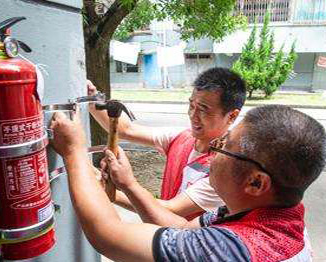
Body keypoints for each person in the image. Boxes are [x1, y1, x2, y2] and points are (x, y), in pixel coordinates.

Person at [50, 104, 325, 261]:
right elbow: (181, 227)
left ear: (256, 183)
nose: (211, 152)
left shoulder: (230, 249)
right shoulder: (277, 217)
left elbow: (108, 236)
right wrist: (129, 185)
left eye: (222, 146)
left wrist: (73, 151)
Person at [88, 67, 246, 219]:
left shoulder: (225, 169)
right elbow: (126, 130)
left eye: (203, 109)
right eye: (191, 105)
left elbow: (172, 209)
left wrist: (111, 189)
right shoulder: (181, 138)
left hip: (194, 243)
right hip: (167, 236)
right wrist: (92, 99)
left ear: (232, 116)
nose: (193, 115)